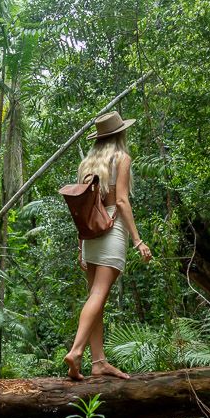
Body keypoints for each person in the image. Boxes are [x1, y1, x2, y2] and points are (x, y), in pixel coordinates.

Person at [63, 111, 153, 380]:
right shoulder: (121, 158)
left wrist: (81, 246)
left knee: (95, 296)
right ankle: (77, 351)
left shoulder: (87, 164)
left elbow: (83, 210)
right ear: (120, 134)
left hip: (91, 234)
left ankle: (98, 361)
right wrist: (138, 241)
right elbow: (122, 201)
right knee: (99, 294)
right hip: (112, 229)